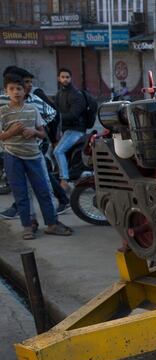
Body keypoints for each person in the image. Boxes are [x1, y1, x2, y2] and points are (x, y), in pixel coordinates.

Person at [0, 74, 72, 239]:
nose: (16, 92)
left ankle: (52, 224)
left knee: (43, 191)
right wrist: (12, 132)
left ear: (24, 91)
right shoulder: (2, 112)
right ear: (6, 91)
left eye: (19, 89)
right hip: (12, 157)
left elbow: (42, 133)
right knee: (20, 193)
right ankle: (27, 226)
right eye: (12, 89)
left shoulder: (33, 109)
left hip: (34, 156)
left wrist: (34, 132)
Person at [53, 68, 86, 190]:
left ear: (71, 78)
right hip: (66, 130)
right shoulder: (59, 93)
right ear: (59, 78)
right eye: (63, 77)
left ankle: (64, 180)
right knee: (54, 150)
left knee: (58, 151)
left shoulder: (76, 94)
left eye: (67, 77)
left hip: (76, 129)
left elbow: (74, 114)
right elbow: (54, 110)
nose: (65, 79)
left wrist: (58, 117)